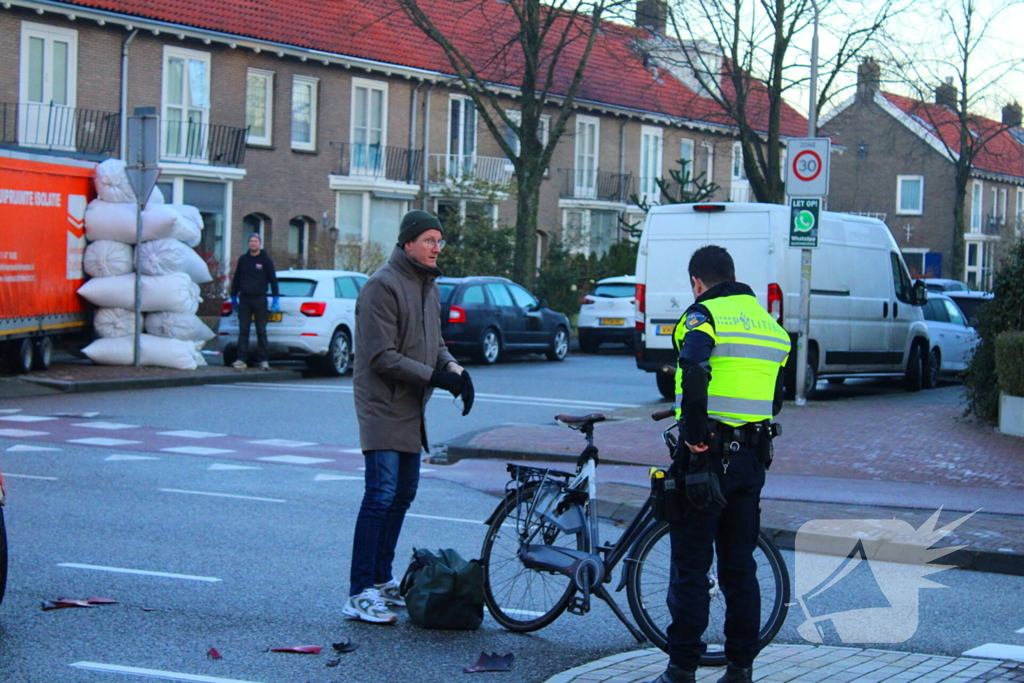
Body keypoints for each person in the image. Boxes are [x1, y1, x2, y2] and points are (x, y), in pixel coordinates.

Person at [647, 245, 790, 683]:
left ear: (697, 282)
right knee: (739, 569)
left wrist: (693, 434)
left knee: (691, 568)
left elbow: (692, 365)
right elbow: (776, 400)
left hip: (706, 461)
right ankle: (740, 668)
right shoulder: (771, 326)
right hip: (752, 460)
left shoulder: (703, 315)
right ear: (732, 274)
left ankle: (681, 670)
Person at [345, 209, 476, 625]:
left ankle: (382, 580)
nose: (438, 248)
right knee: (380, 495)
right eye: (430, 240)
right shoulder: (382, 286)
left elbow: (434, 343)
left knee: (402, 495)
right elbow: (382, 357)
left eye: (440, 240)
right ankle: (358, 591)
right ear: (408, 244)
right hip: (383, 405)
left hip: (412, 405)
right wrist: (436, 377)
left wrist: (456, 370)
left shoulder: (427, 287)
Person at [229, 232, 279, 371]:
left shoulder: (266, 260)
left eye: (256, 241)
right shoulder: (243, 259)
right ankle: (241, 359)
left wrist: (276, 299)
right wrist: (233, 297)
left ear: (260, 243)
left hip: (260, 298)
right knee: (243, 330)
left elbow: (273, 280)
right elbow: (237, 279)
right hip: (245, 298)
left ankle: (263, 360)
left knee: (261, 330)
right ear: (248, 243)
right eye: (251, 241)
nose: (253, 243)